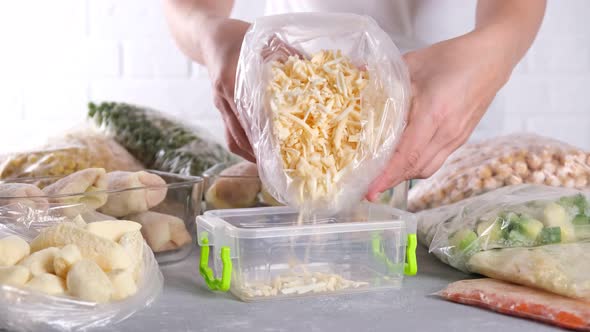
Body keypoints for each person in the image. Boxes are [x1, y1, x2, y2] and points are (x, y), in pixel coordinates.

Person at [163, 0, 546, 201]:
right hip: (295, 124)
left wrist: (492, 56)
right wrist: (212, 33)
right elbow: (192, 7)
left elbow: (516, 8)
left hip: (451, 124)